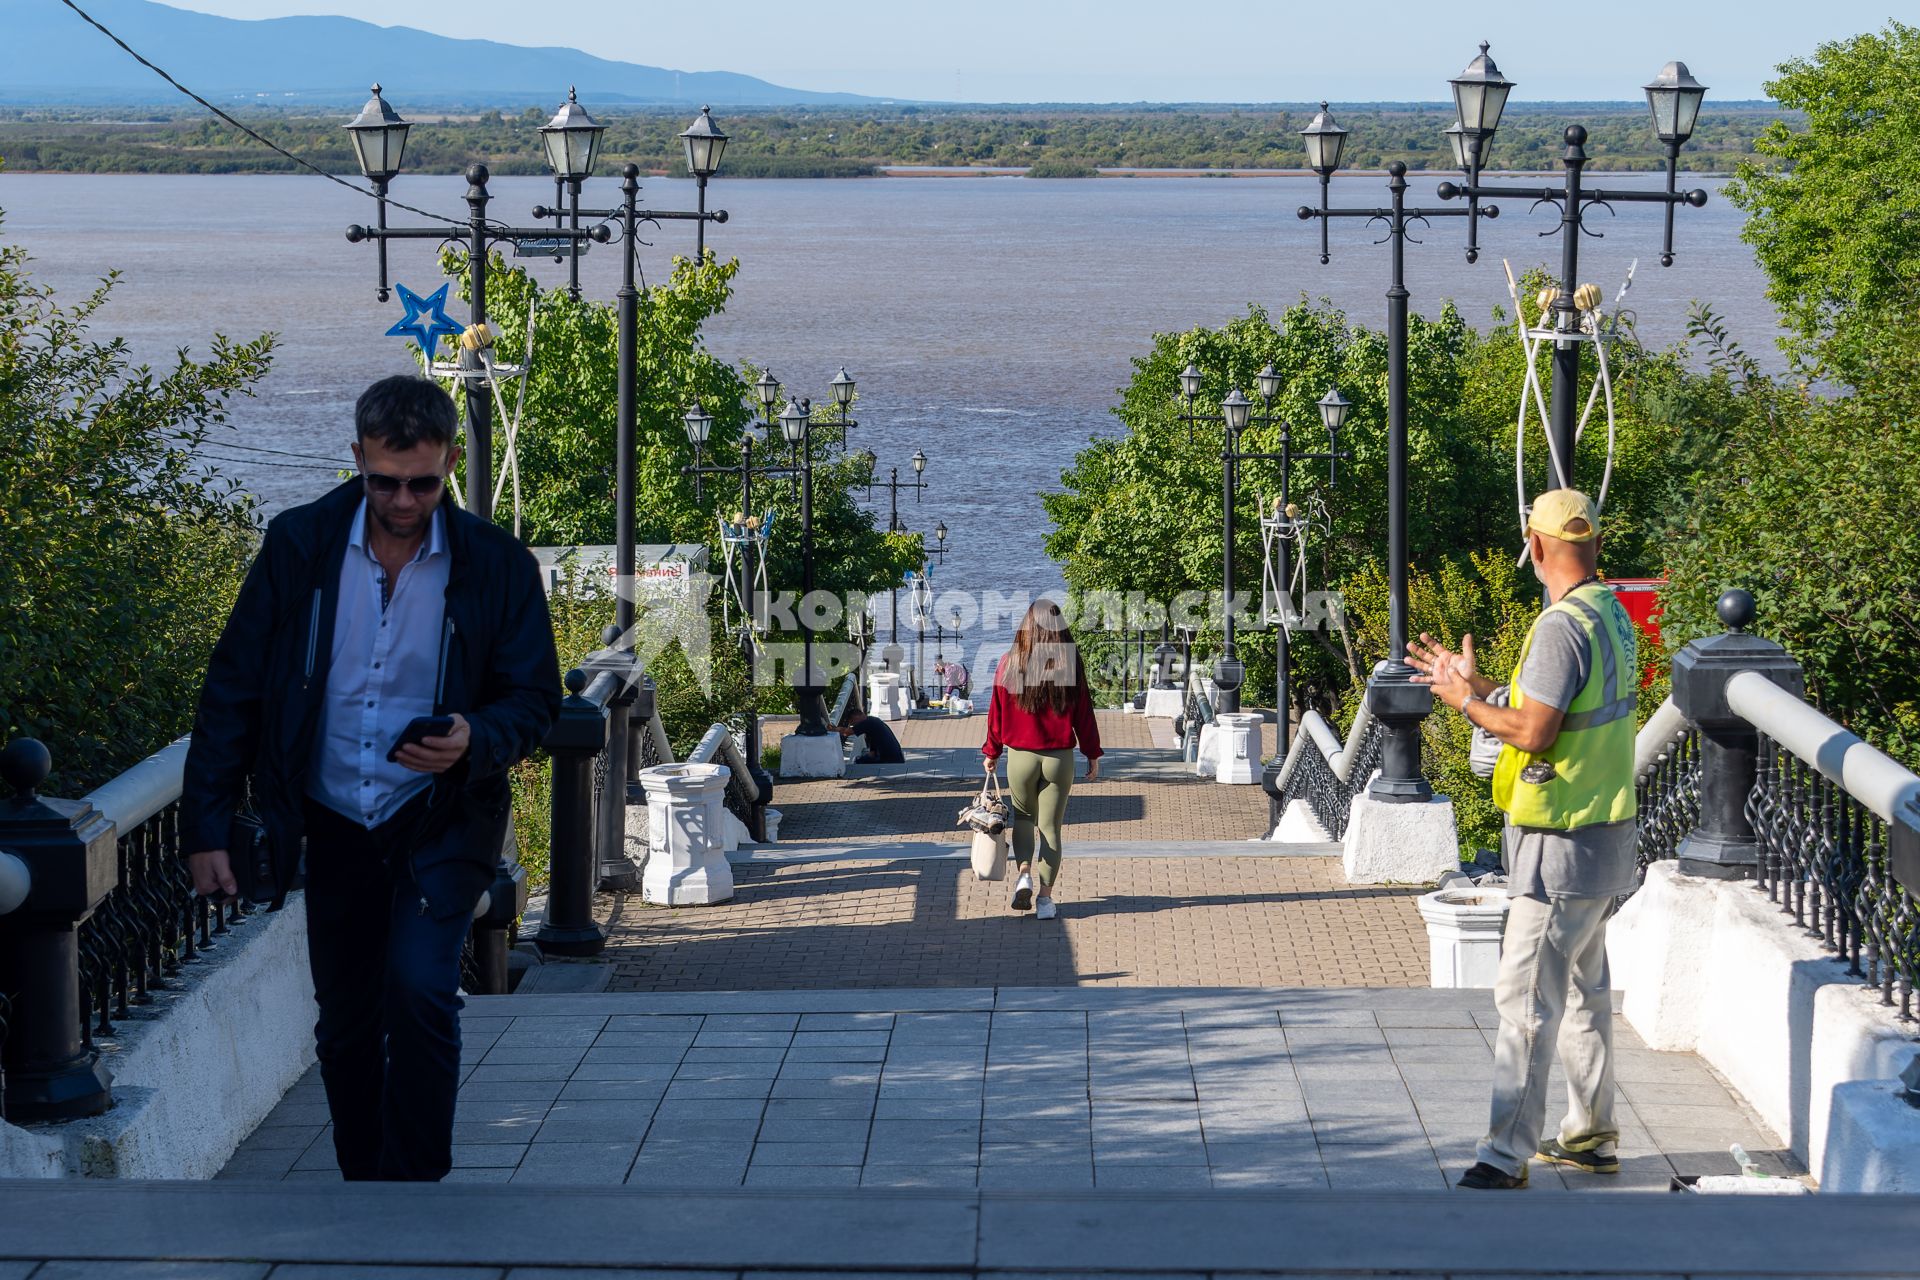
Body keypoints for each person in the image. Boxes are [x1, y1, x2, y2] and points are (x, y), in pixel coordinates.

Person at [179, 375, 561, 1182]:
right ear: (357, 458)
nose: (402, 500)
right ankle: (365, 1186)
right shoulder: (298, 545)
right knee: (347, 1023)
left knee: (422, 992)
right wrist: (207, 826)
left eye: (423, 482)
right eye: (383, 480)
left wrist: (472, 737)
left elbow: (536, 702)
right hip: (330, 818)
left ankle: (417, 1192)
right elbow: (233, 687)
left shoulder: (495, 564)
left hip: (443, 816)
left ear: (452, 462)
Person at [1408, 489, 1639, 1191]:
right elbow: (1562, 713)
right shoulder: (1611, 615)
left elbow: (1536, 732)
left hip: (1557, 843)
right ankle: (1591, 1137)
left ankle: (1505, 1155)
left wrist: (1465, 703)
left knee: (1525, 1001)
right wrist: (1479, 683)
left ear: (1534, 547)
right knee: (1585, 991)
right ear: (1593, 544)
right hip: (1608, 835)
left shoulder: (1558, 627)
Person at [981, 600, 1102, 920]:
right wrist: (1091, 752)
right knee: (1051, 827)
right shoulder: (1070, 663)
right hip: (1059, 758)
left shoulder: (1009, 663)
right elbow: (1084, 713)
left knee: (1023, 820)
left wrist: (991, 750)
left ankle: (1023, 874)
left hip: (1020, 757)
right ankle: (1046, 901)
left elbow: (997, 711)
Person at [837, 707, 905, 764]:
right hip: (897, 757)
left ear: (856, 717)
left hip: (889, 759)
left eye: (853, 723)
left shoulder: (867, 723)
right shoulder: (873, 720)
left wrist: (833, 729)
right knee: (860, 760)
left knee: (857, 762)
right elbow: (873, 752)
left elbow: (847, 732)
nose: (854, 725)